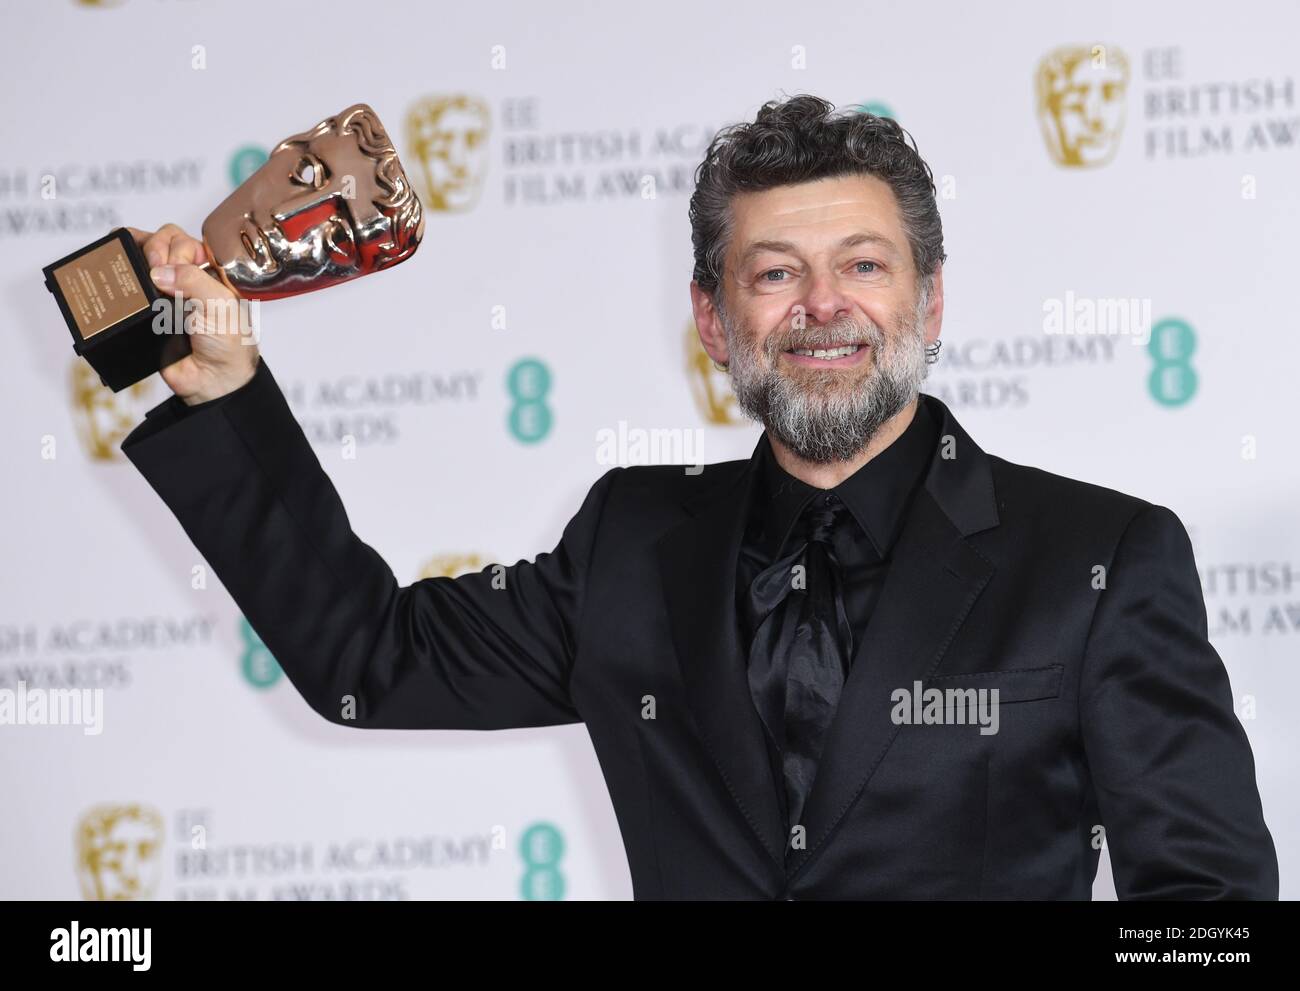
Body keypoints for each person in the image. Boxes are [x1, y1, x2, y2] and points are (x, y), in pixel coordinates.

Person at [121, 95, 1278, 900]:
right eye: (775, 273)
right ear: (714, 321)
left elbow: (1207, 908)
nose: (823, 306)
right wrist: (231, 393)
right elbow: (365, 660)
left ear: (928, 306)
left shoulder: (1098, 555)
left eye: (864, 267)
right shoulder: (632, 539)